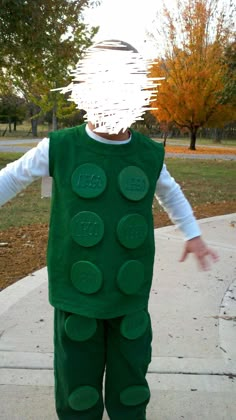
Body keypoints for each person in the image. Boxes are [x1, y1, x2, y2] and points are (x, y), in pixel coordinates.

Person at [0, 40, 218, 420]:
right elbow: (12, 178)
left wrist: (193, 233)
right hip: (76, 296)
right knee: (77, 382)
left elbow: (171, 193)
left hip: (128, 294)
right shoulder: (59, 147)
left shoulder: (149, 154)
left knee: (130, 380)